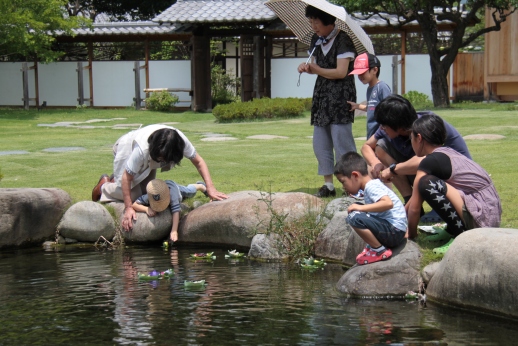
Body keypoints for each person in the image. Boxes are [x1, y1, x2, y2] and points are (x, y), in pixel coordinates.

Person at [92, 124, 227, 231]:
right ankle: (104, 186)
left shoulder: (179, 141)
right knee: (134, 196)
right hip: (125, 149)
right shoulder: (142, 150)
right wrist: (128, 208)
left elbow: (199, 161)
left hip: (148, 159)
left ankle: (114, 183)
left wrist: (211, 188)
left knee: (148, 194)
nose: (162, 161)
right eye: (160, 158)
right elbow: (127, 177)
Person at [406, 113, 501, 253]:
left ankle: (459, 236)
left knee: (426, 184)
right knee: (435, 185)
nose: (411, 143)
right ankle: (451, 230)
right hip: (489, 212)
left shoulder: (430, 161)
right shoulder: (448, 152)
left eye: (411, 138)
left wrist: (411, 235)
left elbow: (415, 209)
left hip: (481, 216)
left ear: (419, 138)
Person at [361, 95, 471, 208]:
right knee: (381, 146)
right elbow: (366, 146)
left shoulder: (428, 126)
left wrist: (392, 170)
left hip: (456, 178)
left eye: (384, 125)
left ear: (398, 126)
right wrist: (375, 163)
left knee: (420, 168)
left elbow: (429, 161)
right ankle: (409, 200)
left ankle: (438, 205)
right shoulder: (392, 127)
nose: (382, 128)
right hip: (430, 169)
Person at [297, 5, 357, 198]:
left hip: (340, 97)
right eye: (311, 21)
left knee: (342, 142)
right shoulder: (316, 40)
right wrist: (306, 67)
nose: (313, 26)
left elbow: (341, 72)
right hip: (322, 97)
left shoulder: (343, 40)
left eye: (317, 21)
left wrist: (316, 69)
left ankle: (352, 185)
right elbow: (314, 64)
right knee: (320, 142)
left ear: (329, 22)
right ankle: (328, 185)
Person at [334, 152, 407, 265]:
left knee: (354, 216)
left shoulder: (371, 186)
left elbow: (388, 203)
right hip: (395, 231)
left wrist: (360, 208)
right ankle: (373, 247)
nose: (343, 187)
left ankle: (379, 251)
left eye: (343, 182)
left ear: (355, 175)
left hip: (394, 232)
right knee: (357, 211)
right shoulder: (371, 186)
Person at [132, 179, 207, 243]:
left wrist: (174, 231)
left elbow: (176, 212)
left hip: (176, 188)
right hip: (165, 188)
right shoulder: (150, 195)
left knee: (190, 192)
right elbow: (134, 204)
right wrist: (146, 209)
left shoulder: (173, 194)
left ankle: (200, 186)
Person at [347, 52, 392, 139]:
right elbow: (372, 108)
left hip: (381, 136)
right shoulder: (369, 89)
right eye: (358, 74)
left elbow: (389, 110)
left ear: (375, 70)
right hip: (371, 134)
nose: (360, 76)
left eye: (363, 72)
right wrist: (357, 106)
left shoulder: (382, 87)